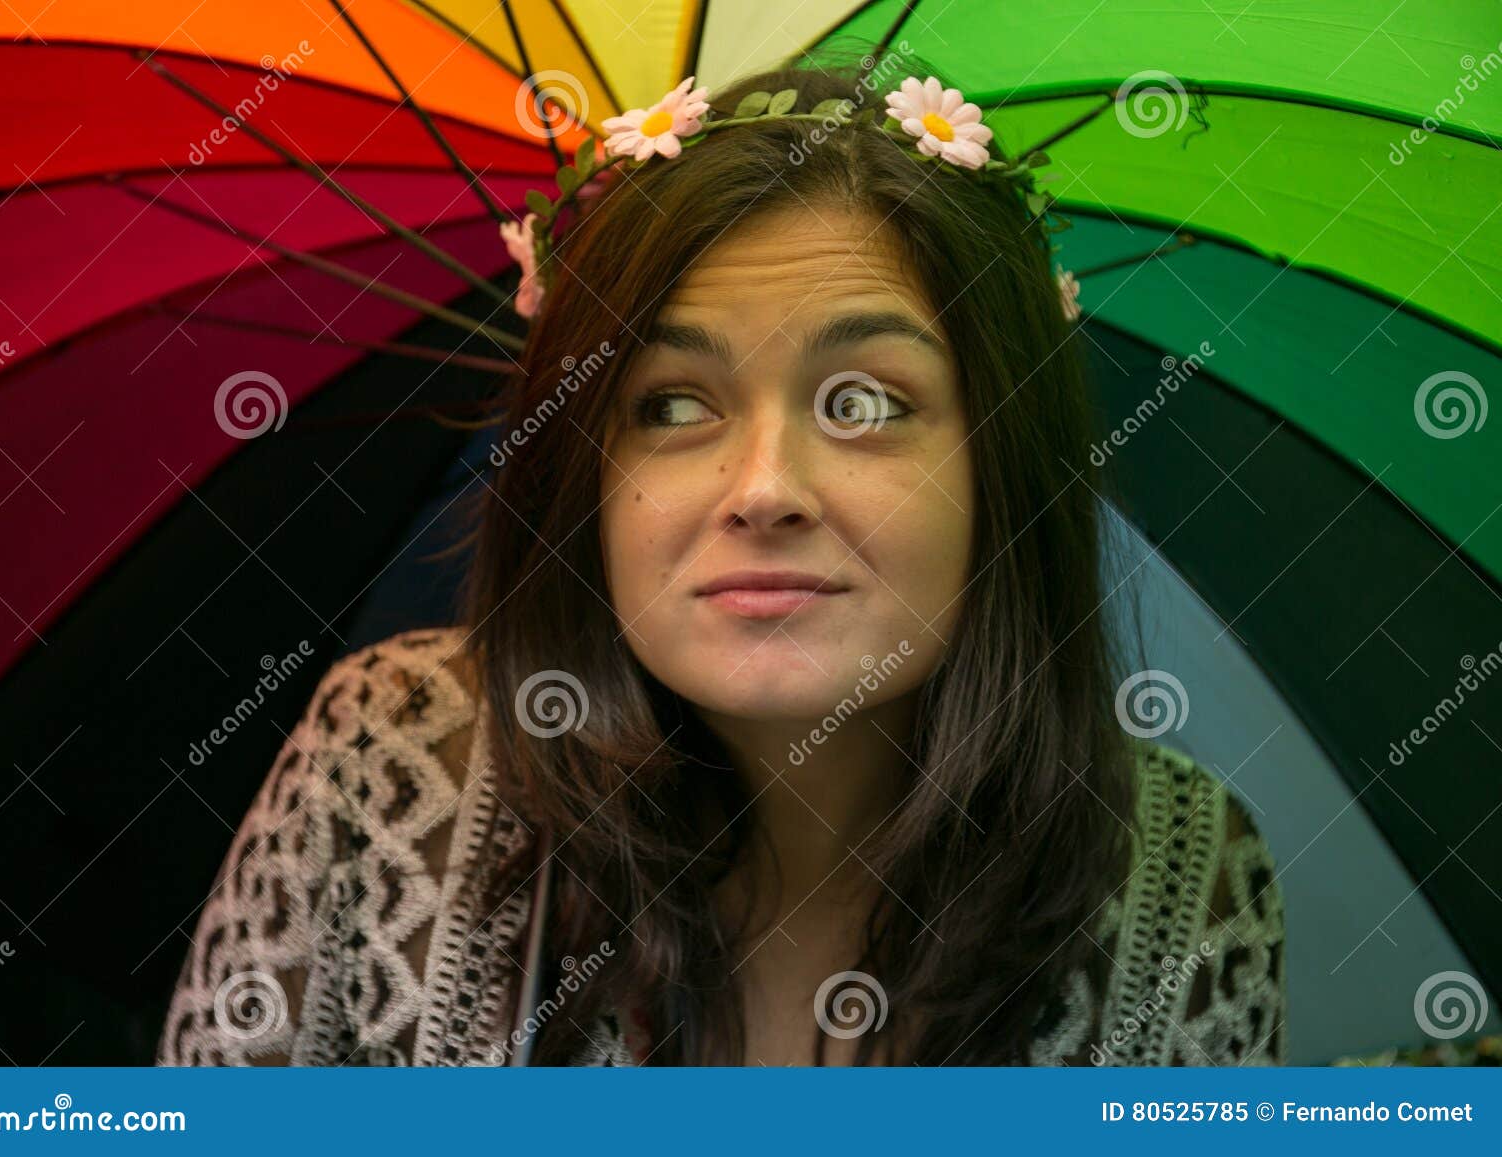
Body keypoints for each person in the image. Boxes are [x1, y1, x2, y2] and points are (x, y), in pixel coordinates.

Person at [155, 51, 1285, 1068]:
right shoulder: (389, 761)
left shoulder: (1181, 881)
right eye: (673, 403)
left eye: (860, 401)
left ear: (1003, 466)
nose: (762, 491)